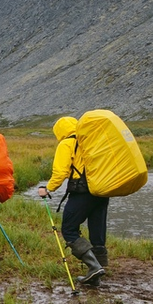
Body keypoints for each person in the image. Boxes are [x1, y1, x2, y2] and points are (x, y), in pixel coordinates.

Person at [36, 116, 106, 285]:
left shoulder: (67, 144)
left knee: (69, 229)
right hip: (102, 190)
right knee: (97, 229)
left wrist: (48, 188)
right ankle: (99, 270)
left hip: (82, 192)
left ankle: (94, 267)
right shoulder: (91, 141)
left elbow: (60, 173)